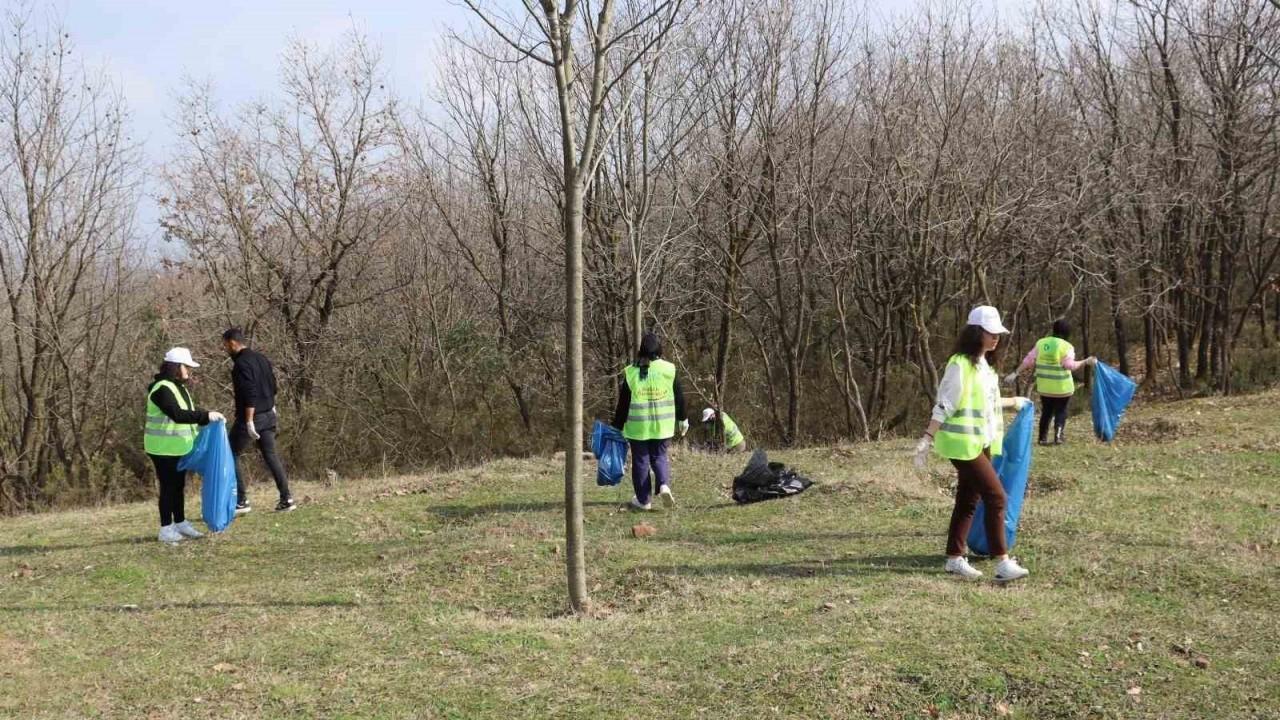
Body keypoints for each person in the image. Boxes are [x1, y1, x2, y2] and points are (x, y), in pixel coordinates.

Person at [913, 306, 1031, 583]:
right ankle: (1002, 562)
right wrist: (927, 439)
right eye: (991, 333)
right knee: (997, 497)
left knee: (968, 499)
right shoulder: (960, 365)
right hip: (961, 445)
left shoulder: (984, 367)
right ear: (977, 332)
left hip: (980, 442)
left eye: (998, 334)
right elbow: (945, 404)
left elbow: (986, 404)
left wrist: (1015, 402)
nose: (996, 338)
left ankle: (954, 558)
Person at [144, 347, 225, 544]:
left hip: (178, 448)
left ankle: (180, 522)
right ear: (176, 367)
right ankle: (165, 528)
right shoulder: (162, 388)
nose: (189, 371)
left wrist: (208, 415)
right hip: (162, 448)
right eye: (186, 367)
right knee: (168, 487)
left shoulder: (178, 387)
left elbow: (189, 410)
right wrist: (205, 416)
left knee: (178, 486)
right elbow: (177, 415)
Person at [612, 333, 688, 511]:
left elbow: (623, 403)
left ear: (641, 351)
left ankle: (643, 500)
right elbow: (679, 397)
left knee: (641, 461)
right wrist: (683, 418)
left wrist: (617, 425)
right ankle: (663, 484)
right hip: (663, 425)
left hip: (638, 427)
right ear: (659, 350)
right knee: (659, 456)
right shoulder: (669, 369)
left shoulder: (631, 371)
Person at [222, 328, 295, 514]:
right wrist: (271, 406)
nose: (224, 349)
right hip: (269, 414)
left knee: (230, 453)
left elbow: (250, 393)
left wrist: (248, 421)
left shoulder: (240, 364)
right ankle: (286, 498)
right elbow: (273, 386)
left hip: (252, 416)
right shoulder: (262, 359)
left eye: (225, 345)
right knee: (271, 455)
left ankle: (241, 501)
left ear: (232, 343)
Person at [1004, 319, 1097, 446]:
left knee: (1046, 411)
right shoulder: (1067, 346)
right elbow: (1070, 365)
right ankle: (1058, 436)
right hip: (1063, 388)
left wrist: (1015, 373)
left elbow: (1028, 360)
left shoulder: (1041, 343)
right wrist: (1085, 361)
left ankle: (1042, 438)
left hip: (1045, 387)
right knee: (1061, 411)